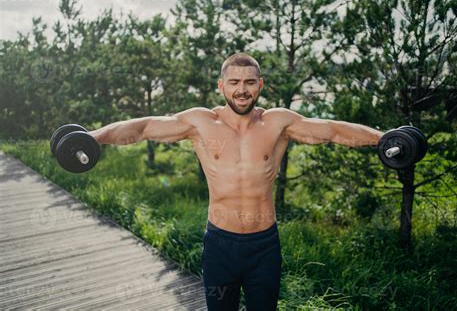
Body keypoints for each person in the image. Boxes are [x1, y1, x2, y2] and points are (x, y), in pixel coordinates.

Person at [89, 52, 384, 310]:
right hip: (220, 245)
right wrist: (92, 138)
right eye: (234, 83)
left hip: (264, 246)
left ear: (260, 85)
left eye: (249, 82)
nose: (242, 90)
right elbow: (142, 128)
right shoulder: (201, 123)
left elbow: (333, 130)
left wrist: (384, 138)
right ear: (221, 86)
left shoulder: (278, 123)